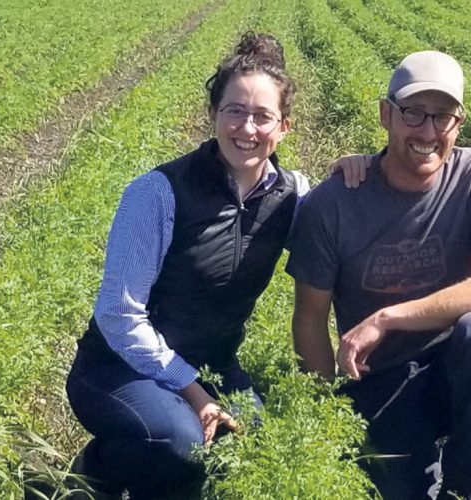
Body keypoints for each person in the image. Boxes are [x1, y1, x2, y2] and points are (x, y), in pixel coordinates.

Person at [63, 32, 362, 500]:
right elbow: (119, 318)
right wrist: (193, 392)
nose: (246, 128)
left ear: (284, 126)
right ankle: (95, 473)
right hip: (118, 370)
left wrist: (356, 169)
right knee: (181, 444)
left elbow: (341, 223)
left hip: (214, 366)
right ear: (213, 115)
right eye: (234, 111)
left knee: (256, 447)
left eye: (262, 116)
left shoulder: (293, 196)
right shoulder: (157, 194)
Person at [287, 50, 471, 500]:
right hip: (381, 384)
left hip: (455, 371)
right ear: (386, 114)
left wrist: (386, 318)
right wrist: (321, 417)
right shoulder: (333, 204)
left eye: (443, 116)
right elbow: (310, 319)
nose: (428, 132)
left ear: (459, 122)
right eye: (414, 113)